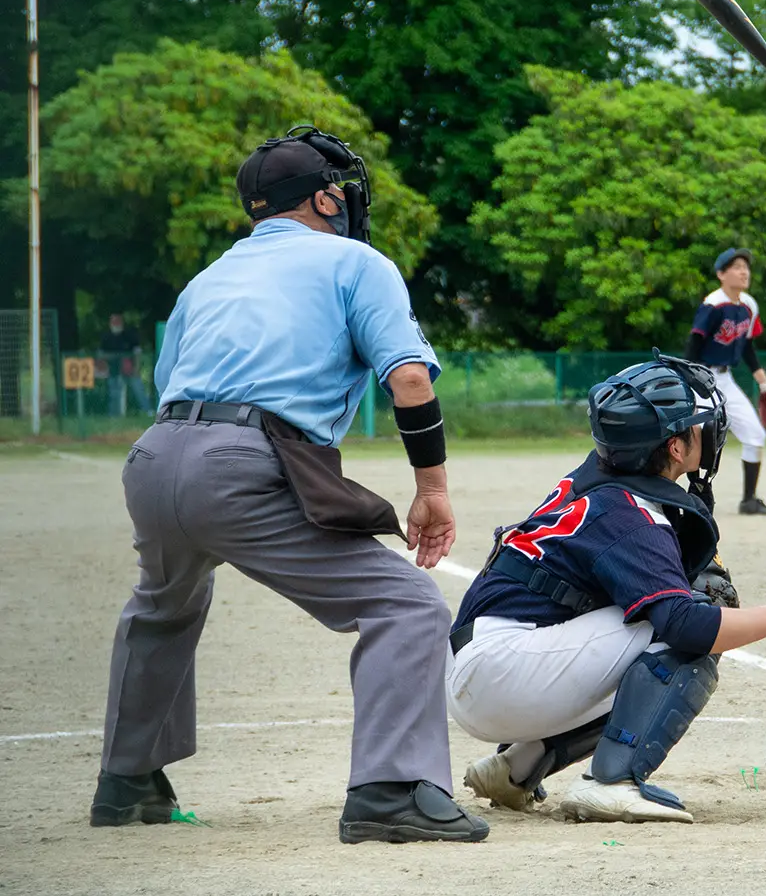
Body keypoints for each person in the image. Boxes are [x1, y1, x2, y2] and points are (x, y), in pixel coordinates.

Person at [92, 126, 487, 844]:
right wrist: (432, 487)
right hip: (242, 462)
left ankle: (126, 783)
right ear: (324, 198)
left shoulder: (209, 277)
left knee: (163, 603)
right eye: (340, 188)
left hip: (154, 458)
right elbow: (406, 378)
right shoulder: (357, 262)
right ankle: (390, 790)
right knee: (406, 605)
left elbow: (167, 384)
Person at [447, 355, 766, 823]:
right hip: (502, 672)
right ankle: (613, 782)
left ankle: (514, 769)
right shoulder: (631, 514)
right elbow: (686, 625)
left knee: (658, 633)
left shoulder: (595, 476)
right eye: (695, 425)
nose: (706, 430)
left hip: (490, 663)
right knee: (693, 619)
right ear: (672, 447)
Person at [685, 248, 766, 515]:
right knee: (698, 439)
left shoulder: (749, 306)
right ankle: (695, 498)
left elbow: (747, 348)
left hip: (726, 379)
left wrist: (765, 384)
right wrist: (690, 382)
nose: (744, 272)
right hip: (701, 377)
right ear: (721, 274)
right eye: (736, 267)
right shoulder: (713, 305)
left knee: (755, 435)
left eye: (746, 267)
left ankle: (749, 500)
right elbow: (693, 346)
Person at [98, 313, 151, 417]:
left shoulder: (129, 335)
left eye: (117, 321)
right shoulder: (106, 337)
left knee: (138, 389)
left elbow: (137, 352)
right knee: (115, 393)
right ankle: (115, 415)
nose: (115, 324)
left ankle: (148, 411)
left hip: (129, 369)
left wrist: (136, 367)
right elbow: (101, 355)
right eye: (113, 321)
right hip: (113, 370)